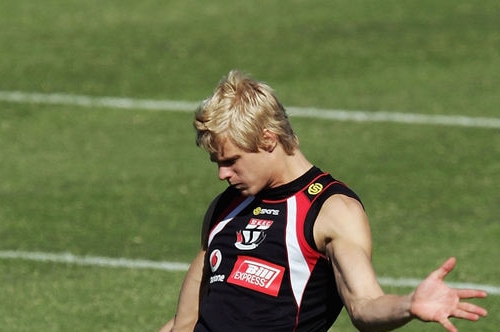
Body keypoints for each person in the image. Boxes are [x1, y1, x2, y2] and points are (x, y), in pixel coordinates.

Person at [159, 70, 487, 332]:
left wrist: (409, 304)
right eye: (217, 163)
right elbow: (186, 321)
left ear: (268, 139)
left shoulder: (331, 211)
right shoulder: (225, 208)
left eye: (231, 160)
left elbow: (364, 305)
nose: (222, 174)